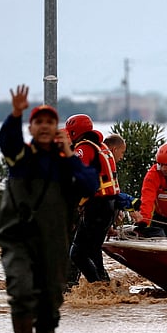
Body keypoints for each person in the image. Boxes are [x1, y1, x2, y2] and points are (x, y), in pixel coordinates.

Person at [0, 85, 98, 333]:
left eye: (49, 122)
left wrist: (68, 154)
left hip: (53, 243)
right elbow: (7, 140)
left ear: (57, 129)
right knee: (21, 291)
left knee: (50, 302)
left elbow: (90, 185)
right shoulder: (20, 157)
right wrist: (15, 113)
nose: (43, 127)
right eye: (38, 122)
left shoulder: (65, 164)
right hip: (18, 239)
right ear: (31, 127)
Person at [66, 114, 120, 283]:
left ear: (75, 132)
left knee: (77, 253)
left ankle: (98, 288)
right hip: (108, 206)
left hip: (97, 206)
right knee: (94, 251)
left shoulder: (84, 148)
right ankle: (106, 287)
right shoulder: (101, 146)